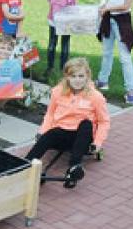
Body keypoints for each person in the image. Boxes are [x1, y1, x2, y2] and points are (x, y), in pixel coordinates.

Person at [25, 58, 110, 188]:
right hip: (62, 132)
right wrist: (42, 131)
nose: (77, 80)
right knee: (50, 134)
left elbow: (104, 122)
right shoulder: (57, 92)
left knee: (86, 124)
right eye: (73, 76)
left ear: (87, 76)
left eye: (81, 76)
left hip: (83, 137)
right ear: (67, 77)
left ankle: (74, 168)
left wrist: (97, 143)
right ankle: (24, 165)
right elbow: (50, 114)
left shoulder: (95, 96)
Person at [46, 0, 81, 74]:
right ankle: (49, 67)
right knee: (52, 43)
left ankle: (63, 69)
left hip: (67, 17)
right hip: (54, 16)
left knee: (65, 44)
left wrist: (59, 2)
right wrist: (56, 3)